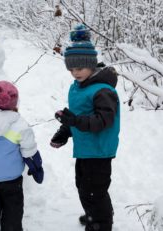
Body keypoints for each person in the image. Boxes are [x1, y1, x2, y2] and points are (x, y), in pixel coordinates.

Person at [51, 24, 120, 231]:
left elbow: (102, 121)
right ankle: (94, 214)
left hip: (98, 151)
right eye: (71, 68)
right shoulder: (79, 86)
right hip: (85, 149)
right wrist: (65, 131)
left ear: (91, 65)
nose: (74, 73)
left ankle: (100, 223)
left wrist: (74, 122)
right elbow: (79, 115)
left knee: (94, 191)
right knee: (84, 187)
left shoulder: (102, 91)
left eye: (79, 68)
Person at [0, 81, 44, 231]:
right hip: (12, 178)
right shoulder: (20, 126)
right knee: (13, 203)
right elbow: (29, 151)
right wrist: (36, 167)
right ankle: (11, 227)